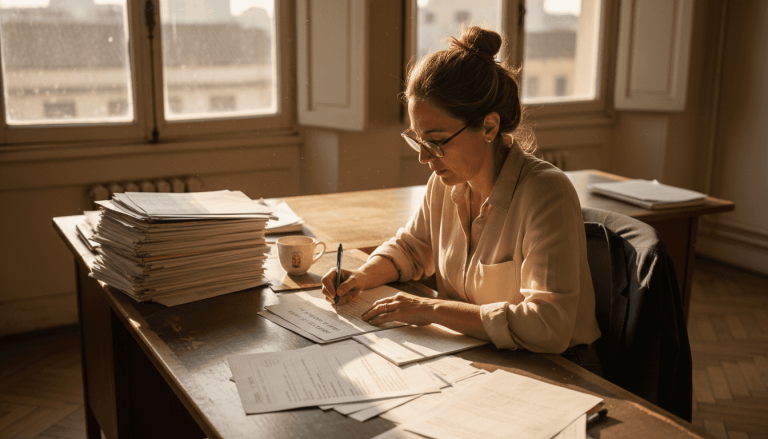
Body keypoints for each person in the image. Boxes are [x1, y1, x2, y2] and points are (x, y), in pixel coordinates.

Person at [320, 26, 602, 374]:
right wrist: (363, 277)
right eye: (417, 139)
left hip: (558, 367)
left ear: (488, 127)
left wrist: (431, 310)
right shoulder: (445, 183)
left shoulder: (546, 194)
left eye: (436, 141)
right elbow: (412, 248)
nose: (424, 157)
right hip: (481, 354)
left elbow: (548, 326)